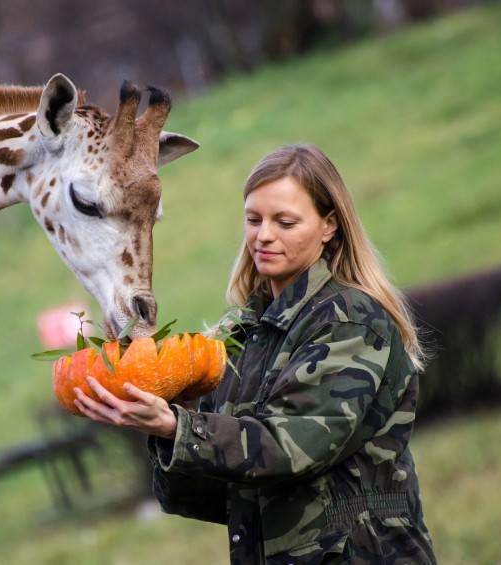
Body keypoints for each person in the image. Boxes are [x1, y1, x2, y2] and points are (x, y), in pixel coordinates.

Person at [73, 144, 437, 564]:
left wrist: (180, 429)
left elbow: (292, 447)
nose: (263, 235)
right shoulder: (242, 333)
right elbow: (224, 495)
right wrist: (164, 426)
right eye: (253, 219)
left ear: (329, 226)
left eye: (285, 222)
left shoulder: (352, 322)